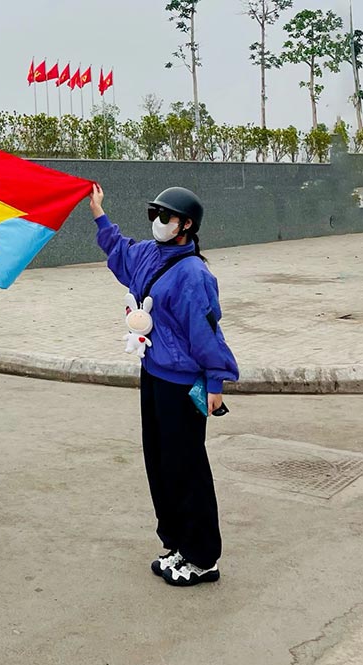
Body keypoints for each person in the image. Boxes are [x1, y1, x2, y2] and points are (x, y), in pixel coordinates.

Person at [89, 183, 239, 587]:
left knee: (186, 466)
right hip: (153, 373)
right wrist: (99, 213)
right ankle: (176, 543)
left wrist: (215, 380)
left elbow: (206, 331)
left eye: (166, 216)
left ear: (187, 225)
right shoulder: (150, 255)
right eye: (154, 214)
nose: (158, 223)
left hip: (182, 382)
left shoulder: (194, 274)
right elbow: (120, 252)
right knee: (159, 462)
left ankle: (202, 557)